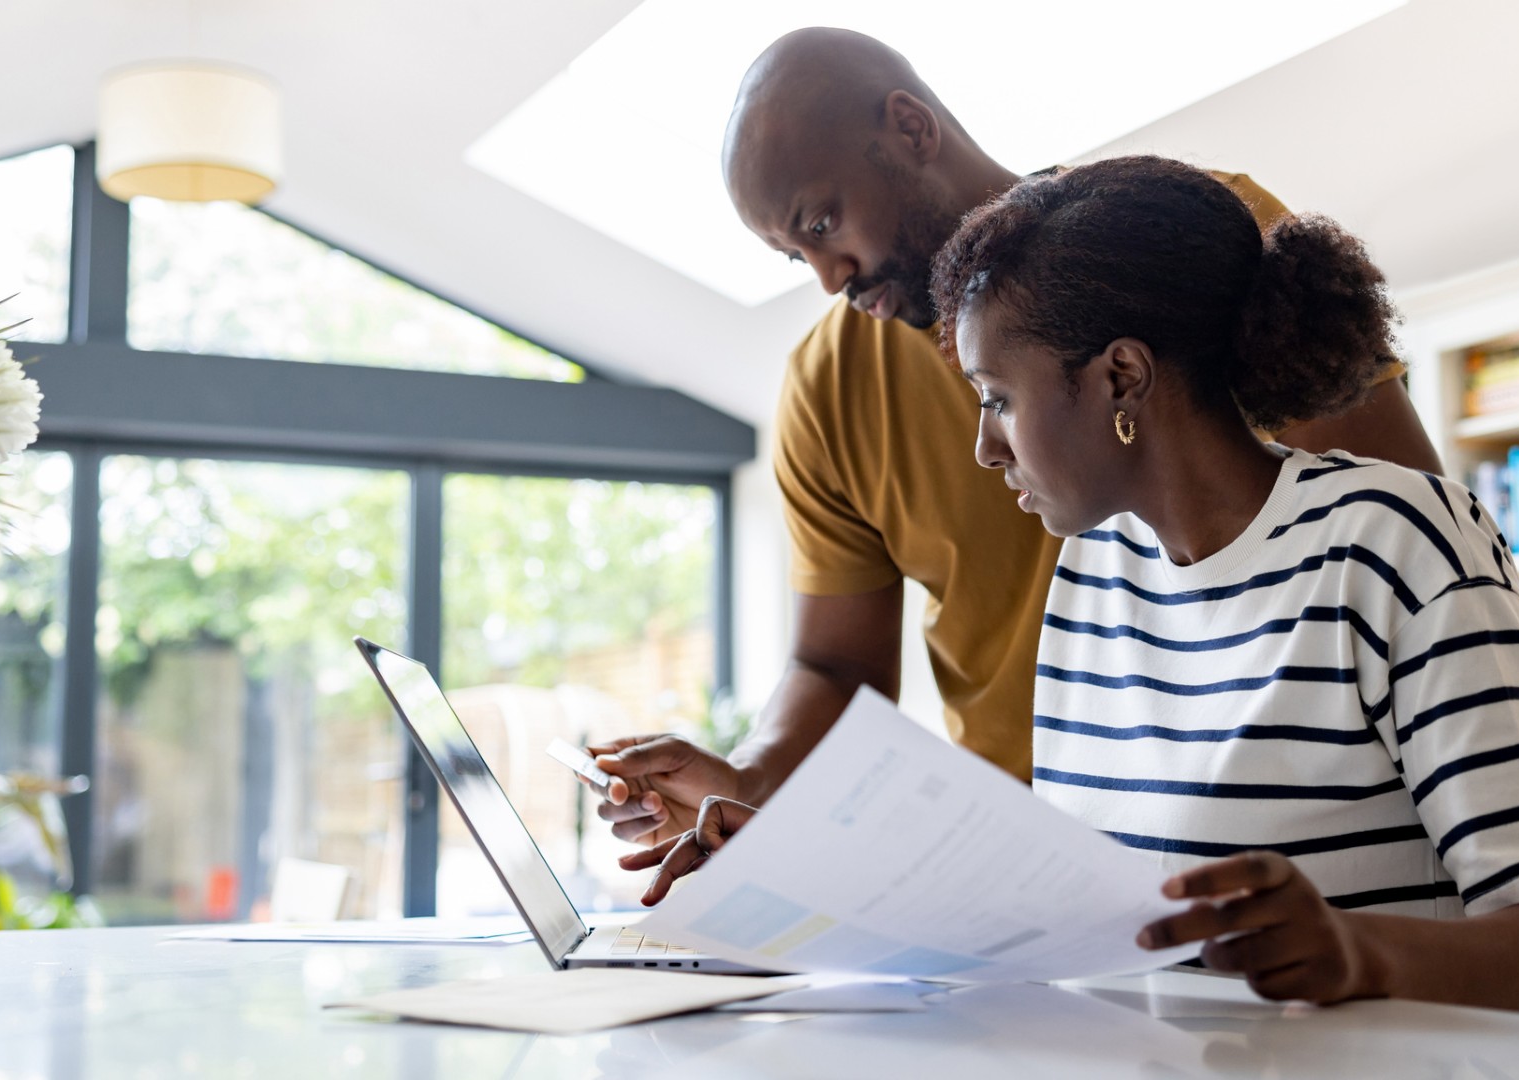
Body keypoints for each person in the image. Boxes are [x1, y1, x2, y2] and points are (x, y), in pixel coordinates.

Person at [622, 155, 1519, 1022]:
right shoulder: (1094, 579)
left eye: (1000, 399)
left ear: (1119, 380)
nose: (985, 446)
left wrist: (1353, 952)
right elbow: (1084, 917)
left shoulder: (1396, 540)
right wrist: (807, 875)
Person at [587, 27, 1444, 848]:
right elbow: (835, 669)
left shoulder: (1189, 244)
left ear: (911, 128)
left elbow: (1408, 539)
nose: (826, 278)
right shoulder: (825, 387)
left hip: (1280, 818)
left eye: (820, 224)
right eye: (792, 256)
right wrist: (744, 780)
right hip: (1029, 862)